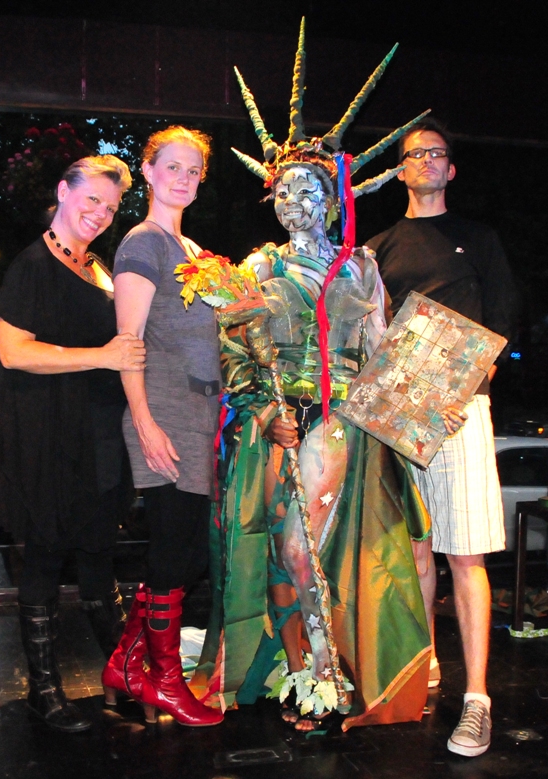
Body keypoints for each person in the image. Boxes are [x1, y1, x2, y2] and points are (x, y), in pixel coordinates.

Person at [193, 22, 447, 732]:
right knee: (283, 548)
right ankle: (299, 664)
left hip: (339, 427)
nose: (294, 202)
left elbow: (384, 347)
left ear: (333, 199)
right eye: (284, 191)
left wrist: (412, 408)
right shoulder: (259, 267)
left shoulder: (362, 265)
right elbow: (233, 350)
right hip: (276, 425)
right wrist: (255, 406)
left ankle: (328, 674)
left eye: (308, 190)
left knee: (319, 550)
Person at [367, 118, 518, 756]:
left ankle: (477, 698)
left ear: (450, 169)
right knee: (415, 555)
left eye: (436, 154)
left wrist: (459, 392)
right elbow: (372, 339)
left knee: (466, 556)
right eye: (413, 155)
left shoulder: (477, 239)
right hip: (402, 415)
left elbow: (503, 323)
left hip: (460, 412)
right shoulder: (377, 249)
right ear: (400, 169)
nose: (425, 161)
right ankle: (423, 669)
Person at [0, 155, 146, 733]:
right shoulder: (32, 266)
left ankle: (124, 676)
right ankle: (45, 691)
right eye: (91, 200)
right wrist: (101, 357)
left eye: (110, 207)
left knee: (99, 555)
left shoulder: (98, 267)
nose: (100, 214)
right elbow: (14, 351)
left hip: (99, 433)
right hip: (46, 432)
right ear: (63, 192)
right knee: (47, 556)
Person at [101, 126, 224, 727]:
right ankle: (165, 682)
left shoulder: (194, 251)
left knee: (180, 553)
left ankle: (127, 664)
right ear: (147, 172)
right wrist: (145, 423)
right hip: (165, 413)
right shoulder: (142, 244)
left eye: (193, 169)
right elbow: (128, 345)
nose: (183, 176)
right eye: (172, 166)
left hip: (198, 418)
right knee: (177, 554)